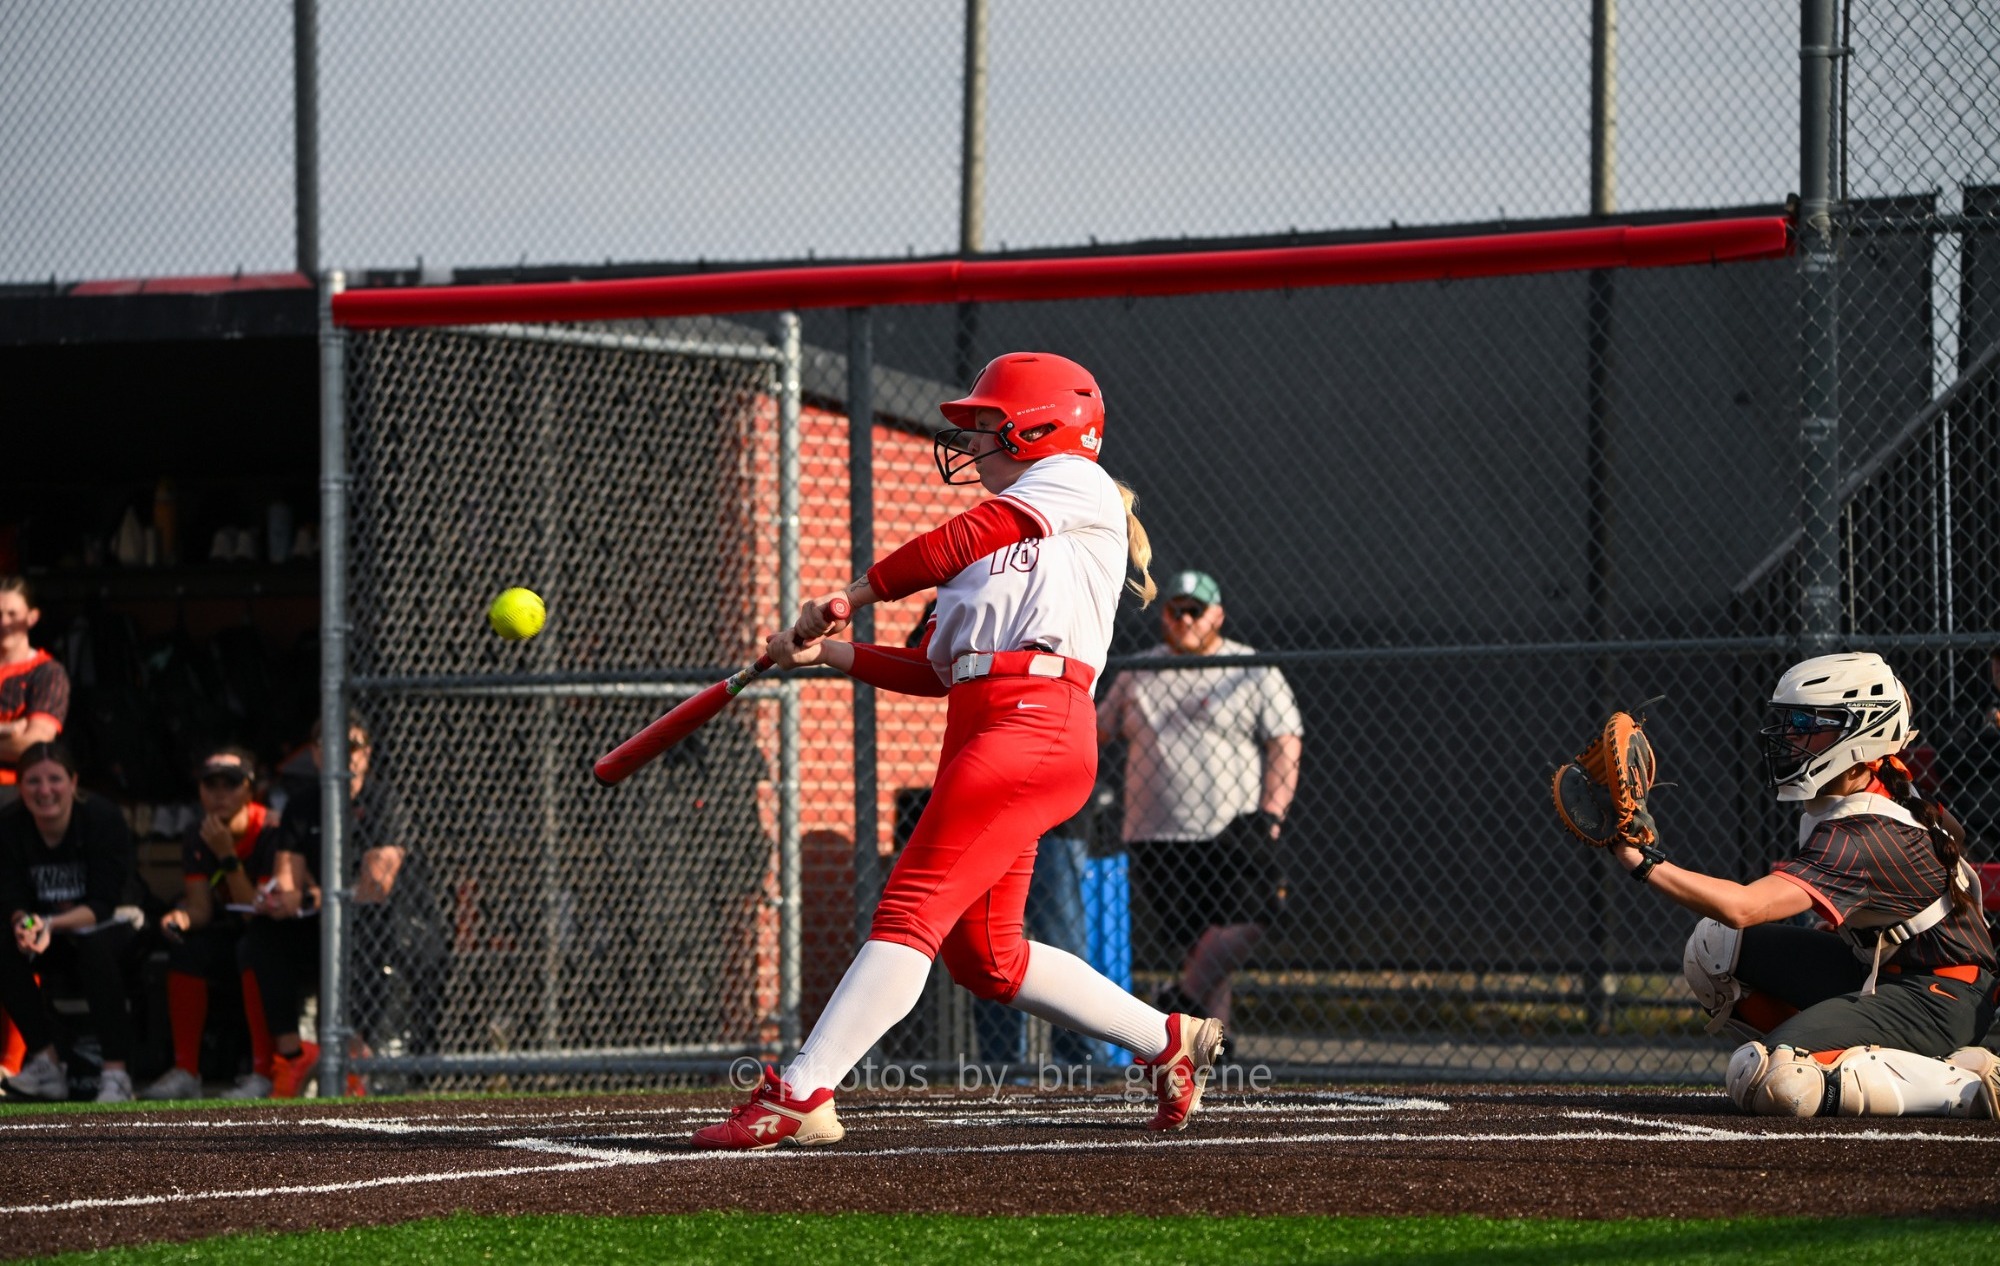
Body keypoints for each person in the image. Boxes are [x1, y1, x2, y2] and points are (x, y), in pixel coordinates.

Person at [691, 351, 1222, 1150]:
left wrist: (848, 596)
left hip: (1035, 720)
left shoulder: (1072, 483)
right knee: (984, 955)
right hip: (979, 726)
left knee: (910, 911)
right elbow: (935, 672)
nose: (971, 441)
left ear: (1038, 427)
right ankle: (1167, 1042)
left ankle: (801, 1093)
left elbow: (963, 535)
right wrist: (826, 655)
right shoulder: (984, 557)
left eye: (985, 424)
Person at [1641, 652, 2000, 1117]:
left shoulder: (1869, 832)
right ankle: (1824, 1053)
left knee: (1776, 1082)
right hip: (1881, 971)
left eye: (1810, 721)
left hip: (1938, 998)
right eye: (1791, 720)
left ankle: (1966, 1086)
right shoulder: (1864, 790)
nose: (1792, 735)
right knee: (1713, 950)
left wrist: (1640, 860)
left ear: (1861, 735)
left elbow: (1744, 907)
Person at [1098, 570, 1302, 1031]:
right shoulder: (1139, 670)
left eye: (1196, 610)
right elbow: (1099, 730)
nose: (1185, 619)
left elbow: (1286, 740)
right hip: (1157, 835)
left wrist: (1271, 814)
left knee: (1254, 913)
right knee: (1199, 946)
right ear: (1164, 615)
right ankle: (1214, 1048)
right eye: (1176, 610)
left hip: (1231, 831)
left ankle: (1180, 1002)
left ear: (1218, 615)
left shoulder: (1250, 668)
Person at [242, 710, 415, 1098]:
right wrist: (277, 899)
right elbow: (288, 883)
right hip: (317, 922)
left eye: (353, 746)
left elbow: (374, 889)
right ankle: (291, 1057)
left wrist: (325, 896)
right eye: (333, 746)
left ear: (367, 754)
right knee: (262, 934)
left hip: (372, 927)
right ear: (317, 755)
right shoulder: (302, 805)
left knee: (369, 927)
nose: (345, 755)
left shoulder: (383, 802)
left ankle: (352, 1059)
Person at [0, 741, 138, 1101]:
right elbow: (12, 895)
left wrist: (48, 924)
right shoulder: (9, 826)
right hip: (49, 932)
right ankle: (46, 1062)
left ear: (73, 782)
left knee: (94, 946)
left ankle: (115, 1073)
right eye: (33, 781)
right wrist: (24, 924)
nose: (45, 791)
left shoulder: (101, 818)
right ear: (20, 787)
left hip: (115, 926)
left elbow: (104, 904)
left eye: (54, 779)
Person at [139, 747, 279, 1100]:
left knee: (255, 946)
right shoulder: (197, 834)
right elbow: (201, 908)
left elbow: (253, 911)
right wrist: (181, 918)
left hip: (268, 934)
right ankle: (186, 1070)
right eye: (210, 785)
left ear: (250, 790)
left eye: (230, 785)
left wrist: (227, 856)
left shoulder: (270, 829)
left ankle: (263, 1073)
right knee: (188, 949)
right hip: (226, 934)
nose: (219, 794)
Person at [0, 577, 71, 808]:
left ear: (32, 618)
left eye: (12, 614)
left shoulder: (47, 673)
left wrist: (21, 736)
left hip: (14, 791)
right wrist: (9, 729)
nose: (3, 622)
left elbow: (34, 746)